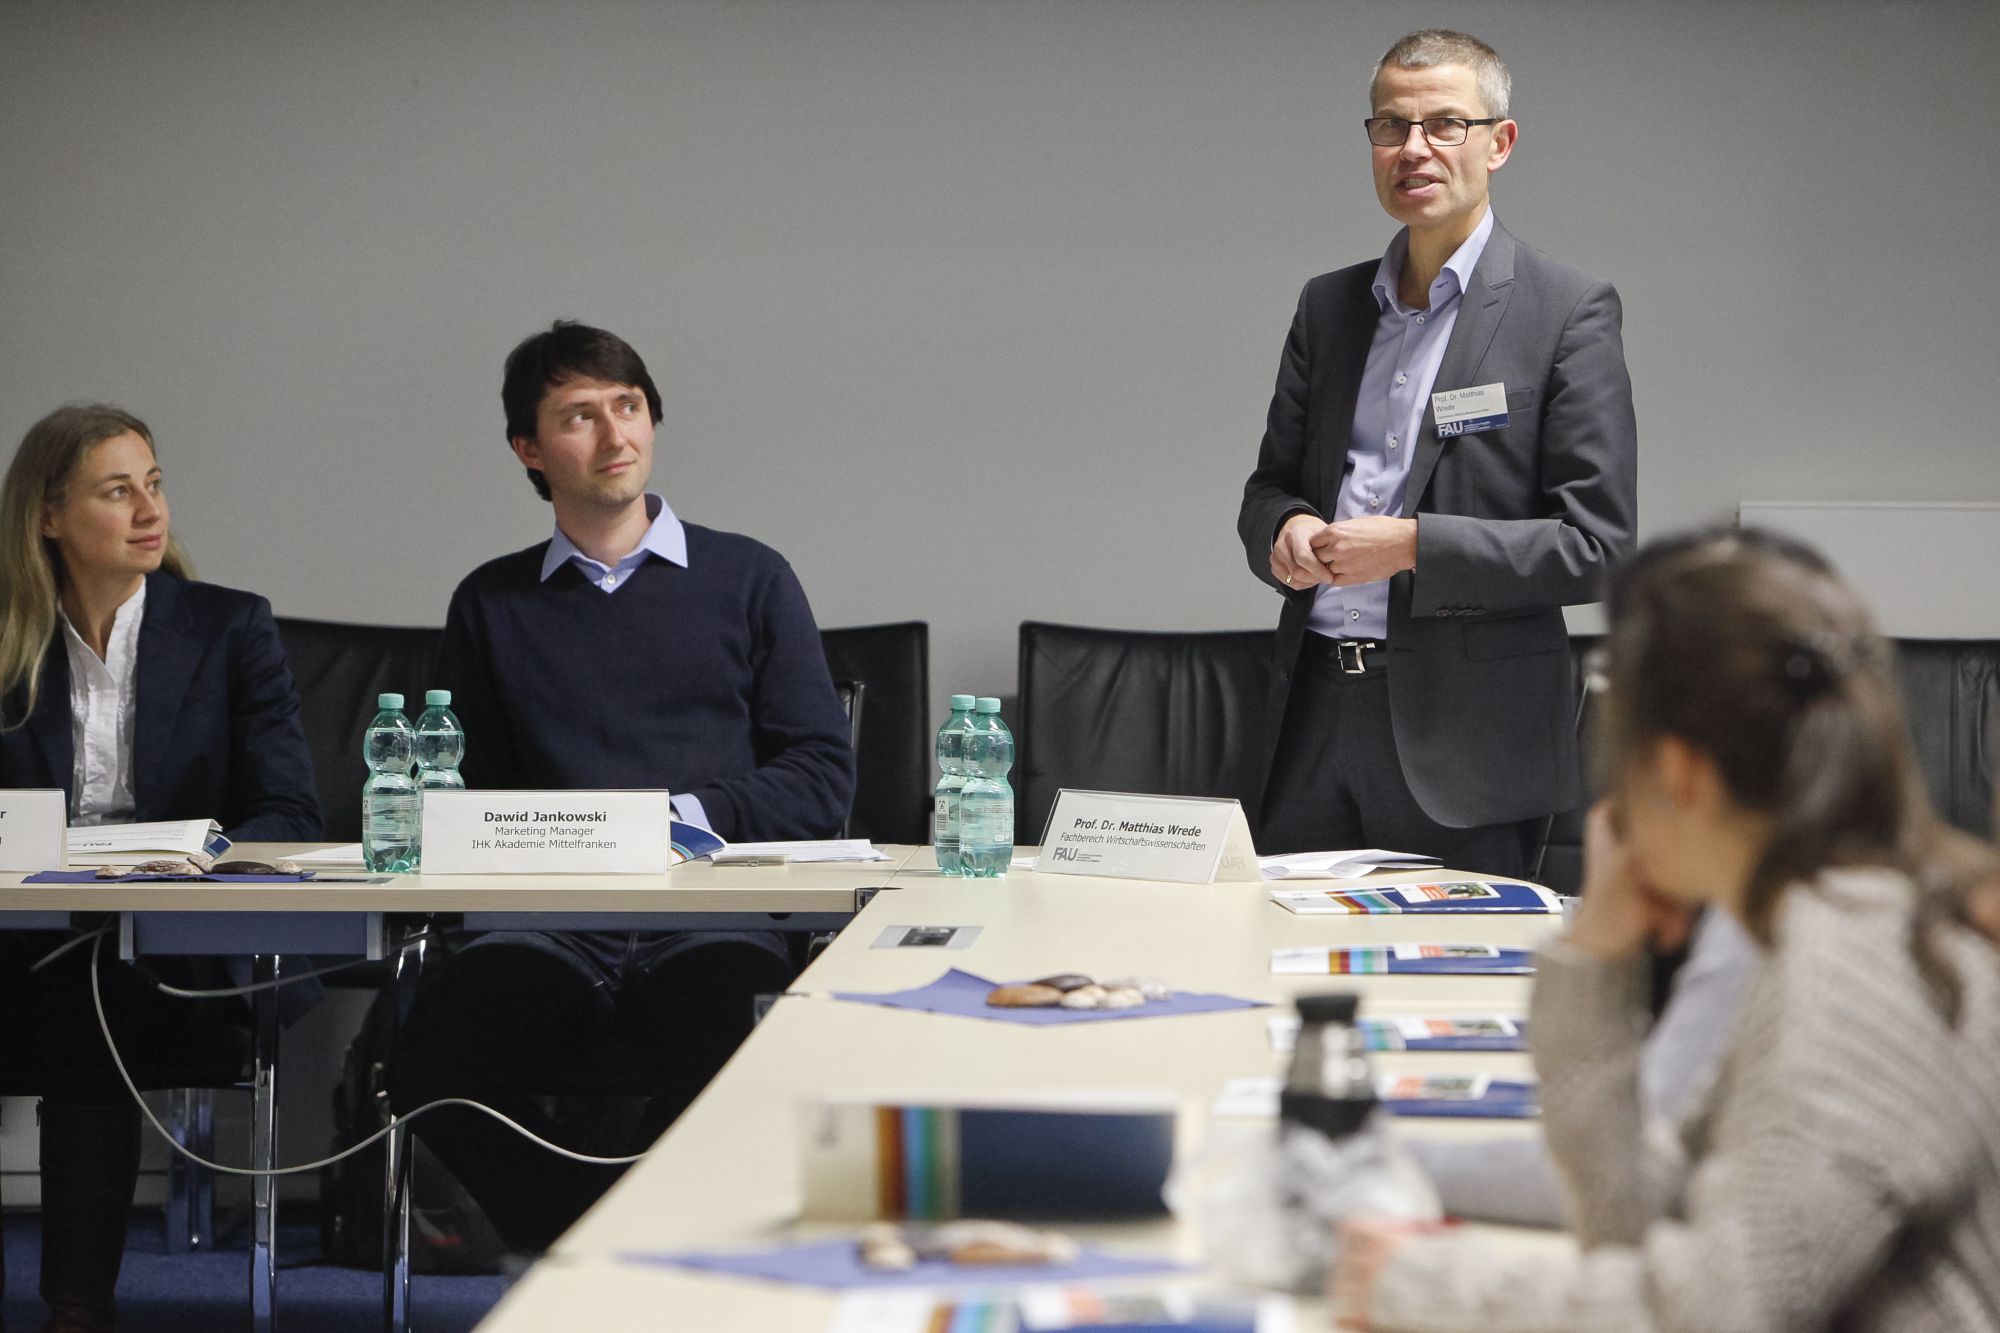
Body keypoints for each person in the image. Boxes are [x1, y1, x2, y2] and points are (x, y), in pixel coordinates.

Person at [1333, 528, 2000, 1331]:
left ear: (1678, 769)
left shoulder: (1850, 971)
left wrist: (1419, 1283)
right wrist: (1593, 961)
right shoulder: (1835, 918)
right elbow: (1646, 1224)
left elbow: (1718, 1311)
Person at [387, 321, 856, 1254]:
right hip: (546, 919)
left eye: (628, 407)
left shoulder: (751, 579)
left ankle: (611, 1254)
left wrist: (671, 821)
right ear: (530, 449)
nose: (614, 436)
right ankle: (594, 1246)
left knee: (755, 1054)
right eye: (579, 416)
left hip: (711, 917)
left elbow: (820, 778)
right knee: (428, 1062)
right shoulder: (491, 600)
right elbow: (457, 796)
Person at [1238, 30, 1637, 876]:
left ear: (1500, 143)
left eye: (1444, 125)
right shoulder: (1330, 306)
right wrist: (1286, 527)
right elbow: (1268, 486)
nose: (1413, 149)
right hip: (1310, 711)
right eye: (1391, 126)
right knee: (1281, 974)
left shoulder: (1565, 311)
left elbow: (1596, 547)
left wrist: (1414, 545)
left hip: (1468, 739)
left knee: (1448, 991)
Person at [0, 403, 321, 1332]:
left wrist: (191, 863)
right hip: (28, 932)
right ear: (50, 517)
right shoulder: (8, 637)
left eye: (155, 483)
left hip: (179, 939)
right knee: (72, 985)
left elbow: (290, 813)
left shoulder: (229, 629)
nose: (150, 509)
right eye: (117, 490)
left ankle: (76, 1307)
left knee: (86, 993)